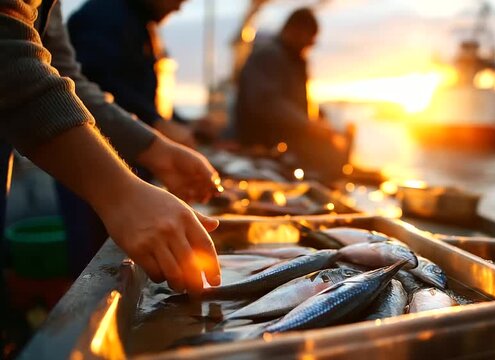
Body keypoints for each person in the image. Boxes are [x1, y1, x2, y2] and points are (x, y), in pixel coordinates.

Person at [0, 0, 221, 295]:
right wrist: (119, 193)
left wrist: (158, 150)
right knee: (87, 263)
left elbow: (67, 79)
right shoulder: (105, 16)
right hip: (81, 171)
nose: (180, 8)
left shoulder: (138, 24)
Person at [67, 0, 218, 148]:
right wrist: (156, 123)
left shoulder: (140, 22)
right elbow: (97, 86)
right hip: (107, 153)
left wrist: (186, 125)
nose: (178, 8)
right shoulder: (102, 17)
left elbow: (145, 96)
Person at [234, 8, 351, 180]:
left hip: (285, 150)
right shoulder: (268, 56)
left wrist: (322, 121)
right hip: (264, 148)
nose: (309, 46)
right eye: (309, 41)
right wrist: (309, 125)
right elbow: (266, 103)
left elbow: (299, 103)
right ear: (293, 30)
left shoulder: (292, 60)